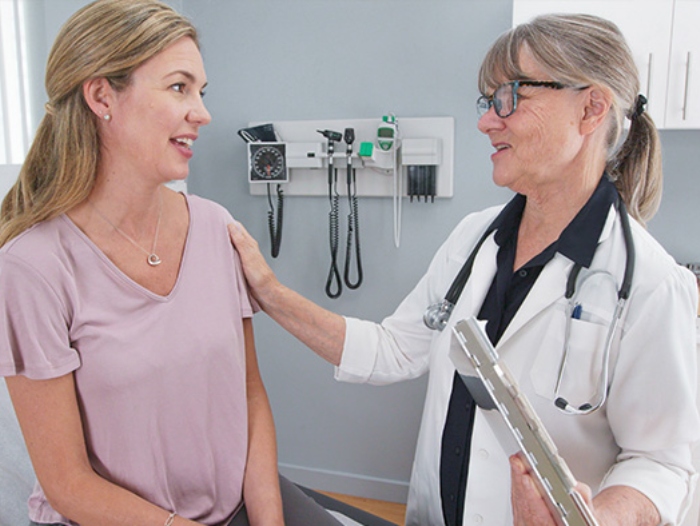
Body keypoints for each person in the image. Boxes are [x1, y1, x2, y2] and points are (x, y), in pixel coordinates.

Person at [229, 13, 700, 526]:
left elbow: (662, 462)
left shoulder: (651, 284)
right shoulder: (474, 239)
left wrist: (597, 519)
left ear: (591, 109)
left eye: (511, 96)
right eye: (489, 100)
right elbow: (392, 350)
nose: (487, 121)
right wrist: (270, 292)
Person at [0, 1, 345, 525]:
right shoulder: (32, 267)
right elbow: (68, 485)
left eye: (201, 91)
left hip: (236, 504)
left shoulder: (214, 227)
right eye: (179, 87)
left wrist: (269, 519)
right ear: (102, 97)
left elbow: (249, 394)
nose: (202, 113)